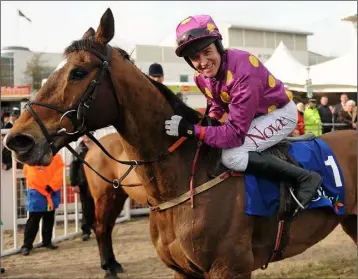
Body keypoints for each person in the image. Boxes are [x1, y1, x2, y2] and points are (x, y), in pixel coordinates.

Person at [164, 15, 322, 209]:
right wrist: (211, 121)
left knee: (232, 155)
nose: (203, 62)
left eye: (207, 52)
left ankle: (304, 178)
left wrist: (191, 130)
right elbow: (216, 104)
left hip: (279, 113)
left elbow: (234, 136)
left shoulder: (244, 69)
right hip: (254, 116)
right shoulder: (200, 77)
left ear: (218, 46)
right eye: (195, 58)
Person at [21, 154, 64, 256]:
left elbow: (59, 172)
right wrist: (43, 187)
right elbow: (29, 172)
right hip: (37, 192)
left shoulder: (56, 156)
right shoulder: (32, 155)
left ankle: (47, 241)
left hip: (51, 191)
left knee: (49, 217)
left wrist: (52, 186)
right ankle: (27, 245)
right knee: (33, 219)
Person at [69, 134, 95, 241]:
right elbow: (73, 167)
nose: (86, 137)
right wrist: (74, 183)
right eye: (84, 135)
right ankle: (86, 231)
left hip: (98, 182)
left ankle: (99, 227)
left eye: (88, 134)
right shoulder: (78, 150)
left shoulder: (99, 147)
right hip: (84, 183)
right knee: (86, 207)